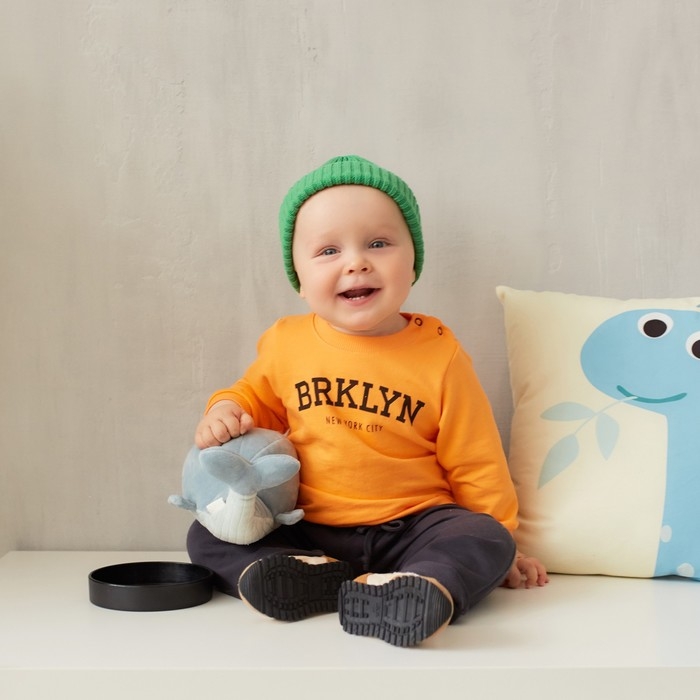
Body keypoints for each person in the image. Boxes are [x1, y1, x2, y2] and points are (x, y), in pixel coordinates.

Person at [188, 155, 548, 647]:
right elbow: (252, 403)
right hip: (307, 526)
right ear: (298, 277)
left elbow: (476, 460)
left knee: (487, 538)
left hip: (416, 526)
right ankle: (302, 576)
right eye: (328, 250)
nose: (356, 262)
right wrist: (224, 409)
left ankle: (421, 586)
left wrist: (508, 543)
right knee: (207, 533)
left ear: (413, 261)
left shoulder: (440, 354)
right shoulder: (287, 342)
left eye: (378, 243)